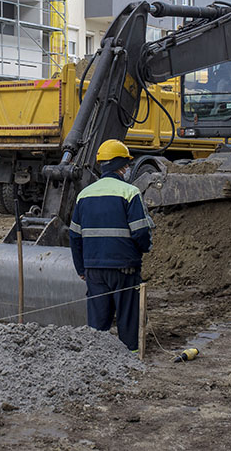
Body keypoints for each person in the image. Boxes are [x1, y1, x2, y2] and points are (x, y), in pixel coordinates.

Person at [68, 139, 153, 352]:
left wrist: (81, 268)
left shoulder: (84, 195)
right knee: (127, 318)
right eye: (126, 164)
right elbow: (141, 231)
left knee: (97, 324)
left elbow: (74, 236)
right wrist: (143, 249)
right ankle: (130, 358)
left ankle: (97, 360)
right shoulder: (129, 192)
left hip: (94, 269)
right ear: (122, 166)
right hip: (125, 268)